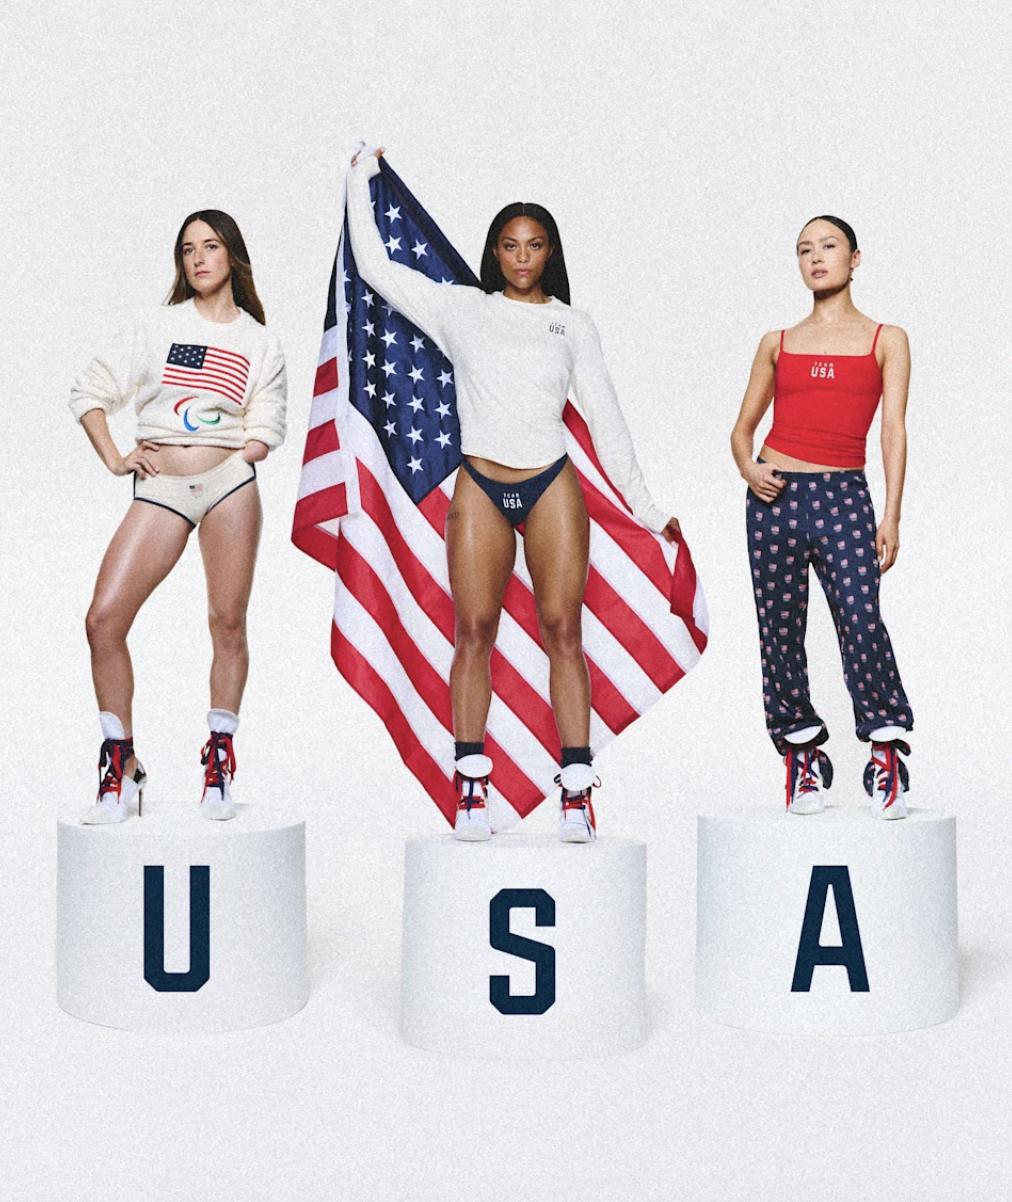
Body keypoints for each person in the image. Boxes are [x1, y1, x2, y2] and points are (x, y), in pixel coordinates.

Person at [346, 148, 680, 842]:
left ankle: (578, 789)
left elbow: (609, 422)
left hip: (550, 482)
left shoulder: (573, 323)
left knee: (564, 631)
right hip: (481, 481)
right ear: (495, 253)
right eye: (510, 245)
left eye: (534, 245)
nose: (521, 255)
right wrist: (360, 178)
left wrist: (647, 508)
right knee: (474, 632)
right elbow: (376, 269)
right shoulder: (460, 308)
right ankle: (471, 783)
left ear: (548, 252)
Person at [69, 210, 286, 823]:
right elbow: (90, 391)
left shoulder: (259, 339)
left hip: (228, 486)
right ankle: (122, 765)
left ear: (232, 256)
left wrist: (239, 453)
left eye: (210, 247)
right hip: (161, 484)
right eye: (188, 249)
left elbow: (267, 420)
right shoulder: (155, 324)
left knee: (228, 622)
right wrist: (117, 458)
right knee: (103, 620)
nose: (198, 259)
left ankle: (219, 760)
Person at [731, 216, 913, 818]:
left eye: (829, 247)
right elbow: (741, 431)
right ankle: (802, 755)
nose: (816, 258)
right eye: (805, 250)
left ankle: (885, 749)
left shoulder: (887, 338)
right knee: (780, 633)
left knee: (862, 621)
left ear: (855, 258)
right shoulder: (776, 341)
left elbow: (892, 430)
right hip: (774, 498)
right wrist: (749, 470)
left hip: (843, 496)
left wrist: (890, 515)